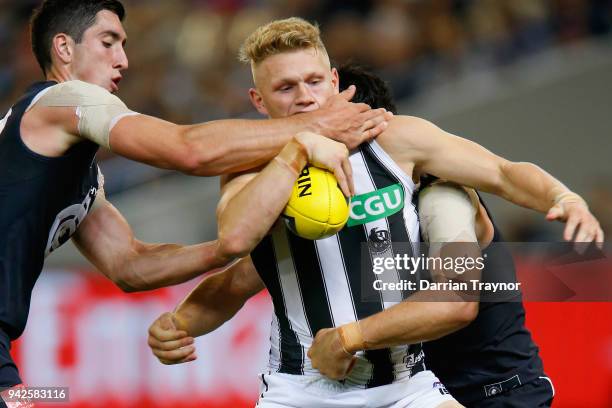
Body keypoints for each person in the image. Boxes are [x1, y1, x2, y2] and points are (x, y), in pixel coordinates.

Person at [147, 18, 603, 408]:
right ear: (258, 100)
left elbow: (503, 173)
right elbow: (236, 249)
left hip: (408, 386)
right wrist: (297, 148)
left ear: (332, 80)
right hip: (303, 389)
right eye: (285, 88)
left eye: (312, 81)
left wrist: (562, 197)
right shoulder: (249, 168)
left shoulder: (395, 140)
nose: (304, 97)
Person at [0, 1, 390, 402]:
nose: (123, 60)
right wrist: (317, 127)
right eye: (108, 42)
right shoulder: (62, 100)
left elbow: (129, 265)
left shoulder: (76, 169)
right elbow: (188, 150)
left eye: (123, 44)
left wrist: (226, 249)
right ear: (64, 48)